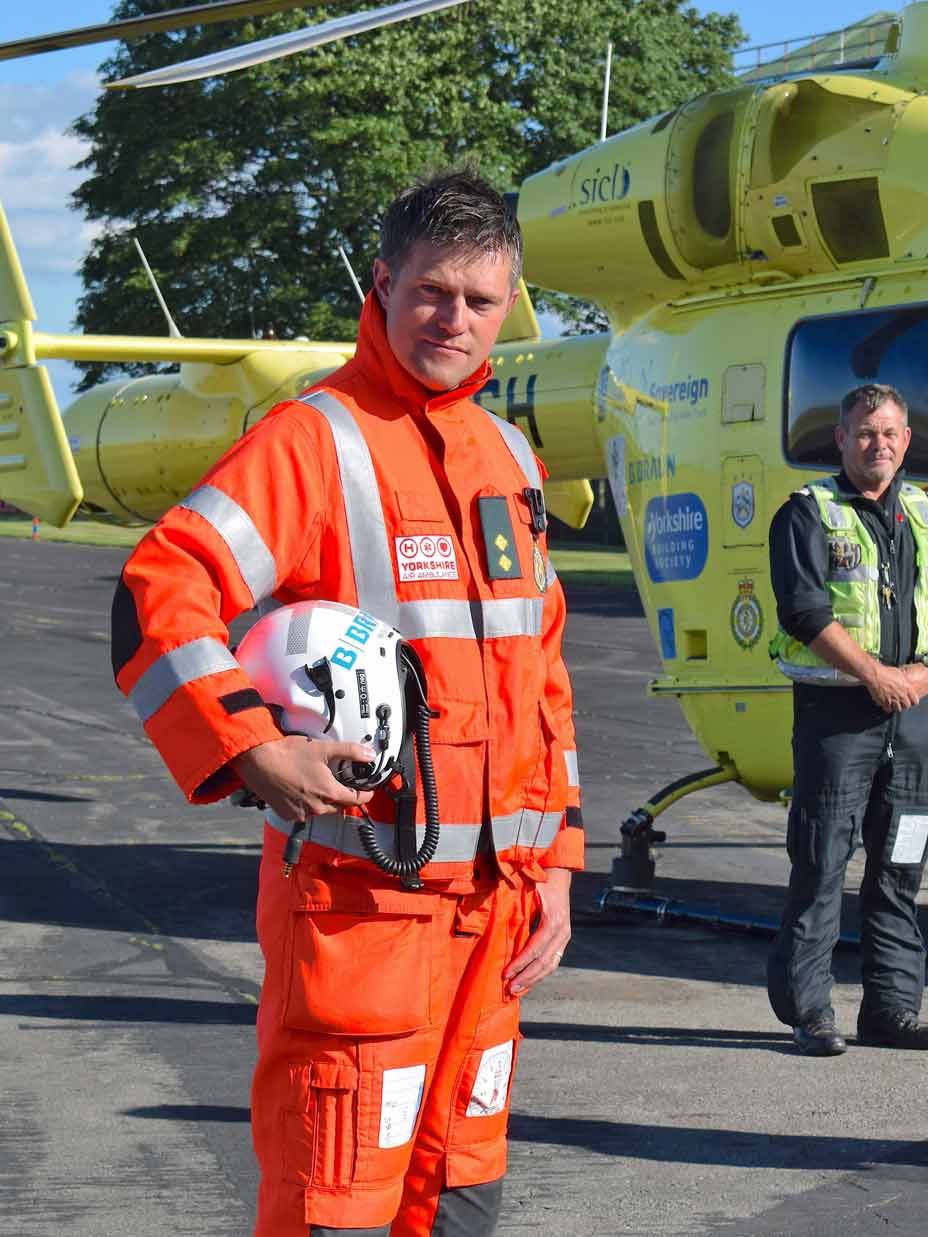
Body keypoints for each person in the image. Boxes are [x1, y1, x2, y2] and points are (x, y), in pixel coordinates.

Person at [111, 169, 585, 1236]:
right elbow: (162, 589)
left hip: (497, 919)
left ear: (508, 303)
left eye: (479, 299)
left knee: (464, 1186)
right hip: (363, 907)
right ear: (382, 283)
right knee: (339, 1200)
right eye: (430, 292)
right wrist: (250, 746)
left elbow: (540, 676)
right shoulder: (313, 440)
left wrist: (554, 862)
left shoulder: (508, 458)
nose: (453, 319)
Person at [766, 382, 928, 1056]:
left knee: (902, 865)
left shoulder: (926, 511)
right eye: (865, 432)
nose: (878, 444)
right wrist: (876, 676)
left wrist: (927, 675)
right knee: (822, 862)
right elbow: (805, 613)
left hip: (913, 722)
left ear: (906, 440)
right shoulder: (807, 514)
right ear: (841, 439)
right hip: (840, 720)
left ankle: (891, 1008)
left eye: (890, 433)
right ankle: (810, 1011)